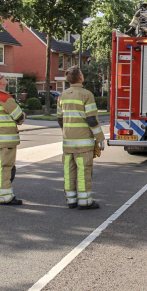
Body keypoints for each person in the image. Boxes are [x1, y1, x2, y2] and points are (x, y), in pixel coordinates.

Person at [57, 66, 105, 209]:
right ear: (80, 78)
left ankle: (71, 200)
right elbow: (91, 119)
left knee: (68, 170)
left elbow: (60, 119)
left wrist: (68, 132)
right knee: (83, 171)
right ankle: (85, 201)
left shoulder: (62, 95)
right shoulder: (86, 94)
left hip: (67, 142)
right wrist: (100, 138)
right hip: (83, 143)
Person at [0, 72, 25, 205]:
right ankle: (6, 196)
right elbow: (19, 116)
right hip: (6, 139)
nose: (5, 78)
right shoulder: (5, 98)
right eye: (3, 77)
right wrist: (21, 118)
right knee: (7, 166)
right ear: (0, 82)